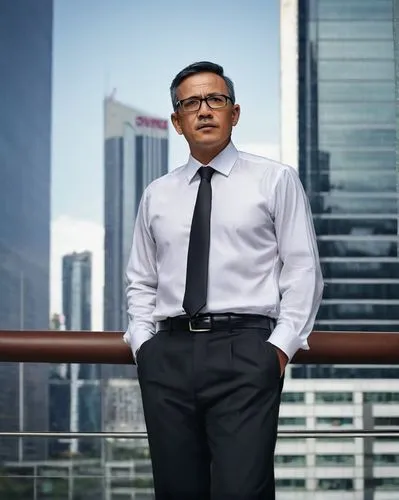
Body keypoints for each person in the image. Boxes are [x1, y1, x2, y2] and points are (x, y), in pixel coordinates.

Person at [124, 61, 324, 500]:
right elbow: (141, 280)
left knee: (242, 490)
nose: (205, 110)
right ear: (177, 122)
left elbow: (303, 268)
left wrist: (279, 348)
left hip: (246, 352)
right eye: (191, 103)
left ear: (235, 113)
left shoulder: (275, 179)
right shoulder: (157, 193)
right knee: (177, 491)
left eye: (216, 99)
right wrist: (145, 345)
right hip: (168, 355)